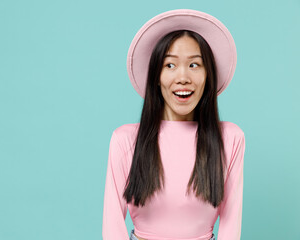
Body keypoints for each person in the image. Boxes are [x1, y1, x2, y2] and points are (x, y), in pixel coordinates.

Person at [102, 9, 245, 240]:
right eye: (170, 65)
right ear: (156, 77)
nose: (183, 78)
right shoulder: (125, 140)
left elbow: (231, 225)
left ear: (208, 75)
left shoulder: (230, 138)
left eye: (194, 65)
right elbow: (112, 228)